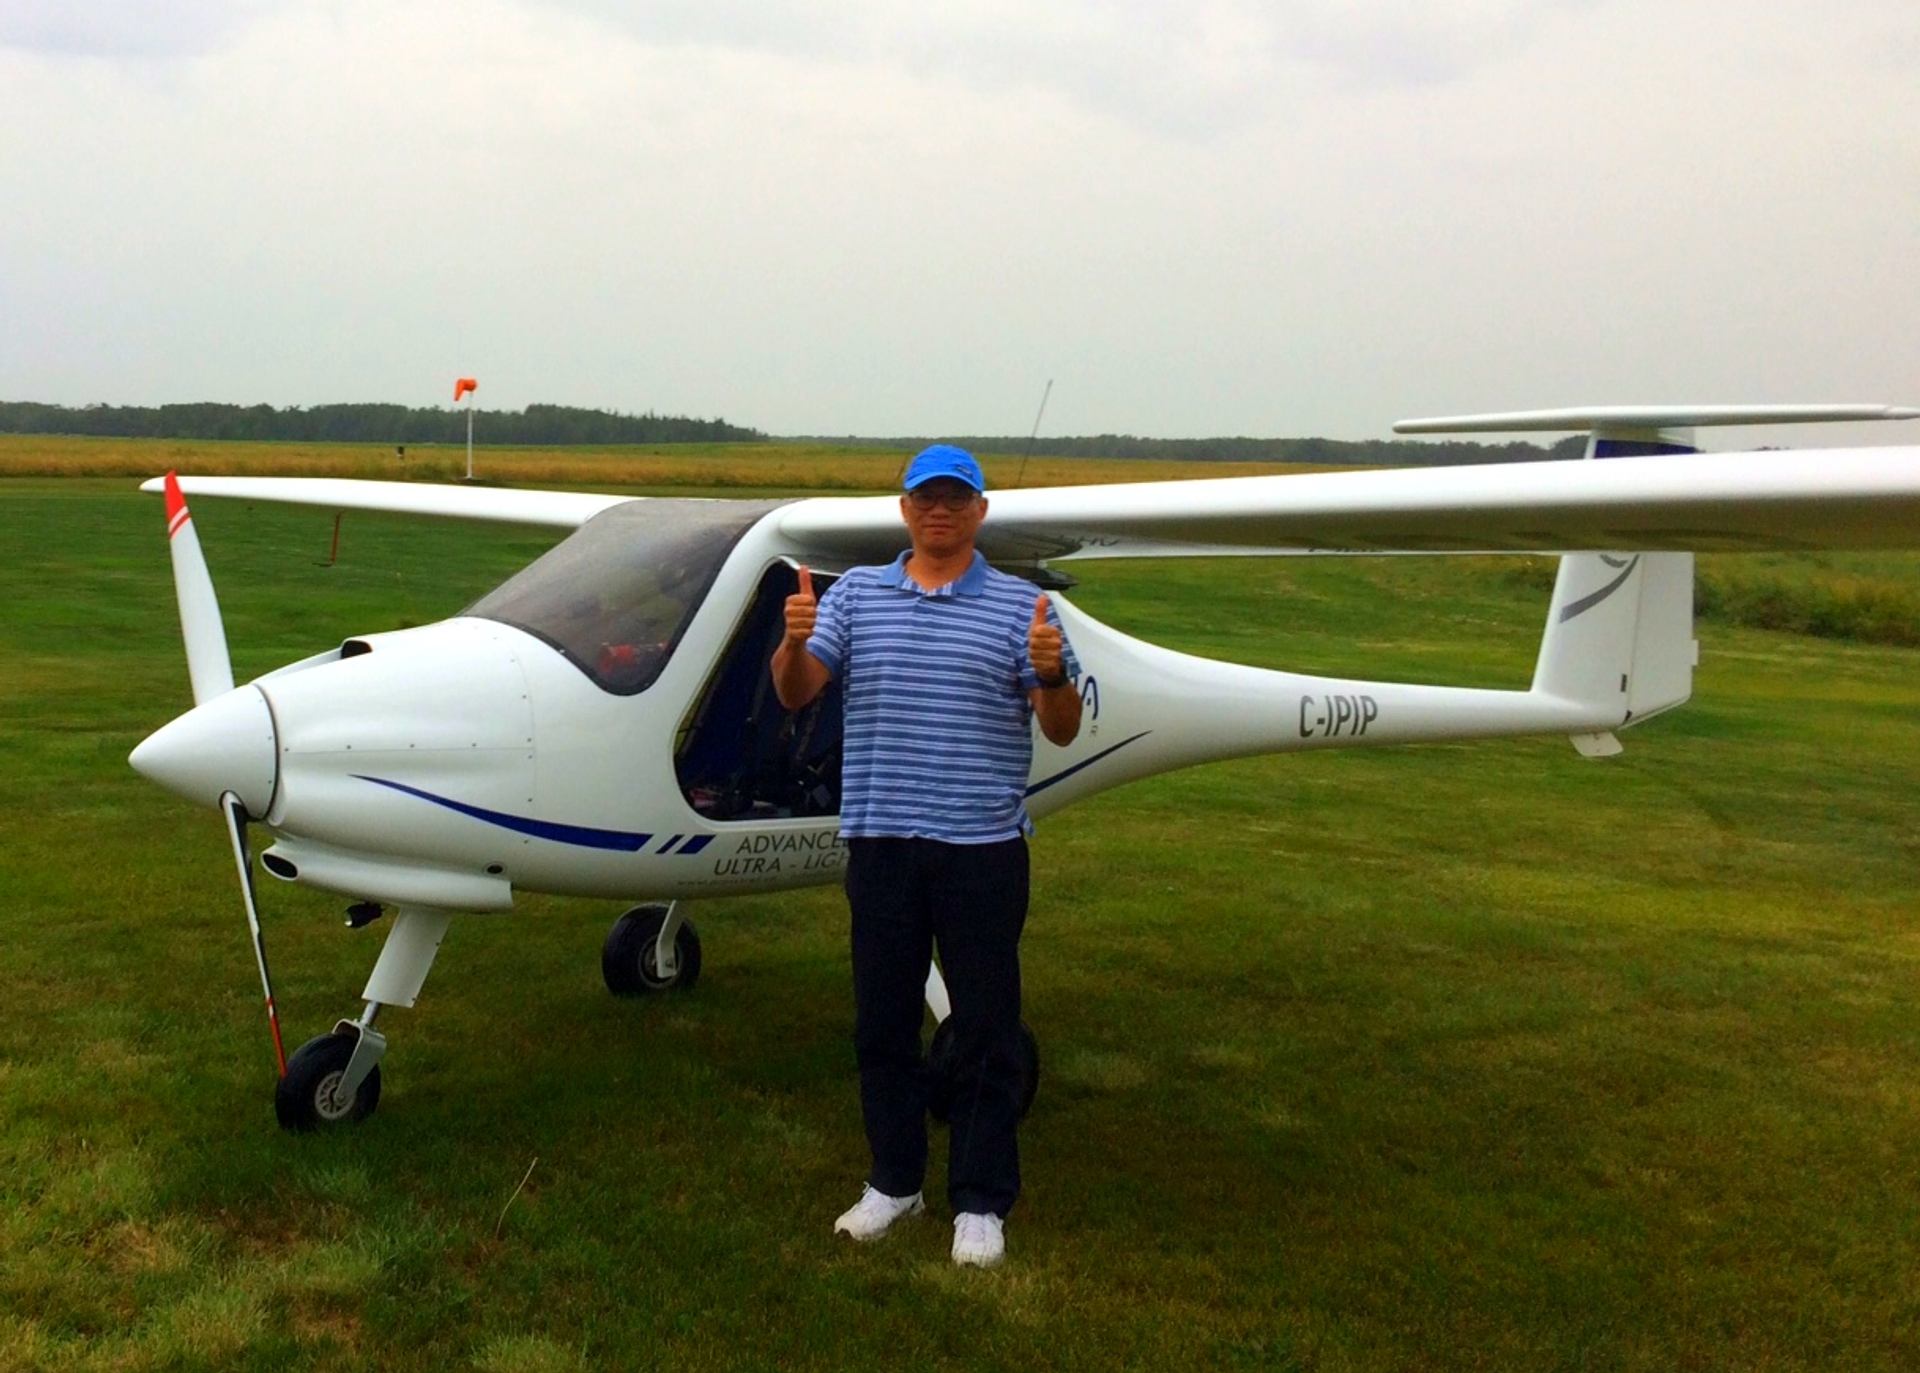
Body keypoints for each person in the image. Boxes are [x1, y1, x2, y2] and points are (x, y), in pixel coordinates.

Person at [770, 443, 1082, 1267]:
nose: (939, 510)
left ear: (978, 513)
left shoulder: (1023, 608)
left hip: (981, 848)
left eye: (956, 498)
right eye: (925, 498)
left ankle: (980, 1200)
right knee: (882, 1020)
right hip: (880, 844)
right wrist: (793, 641)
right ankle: (894, 1180)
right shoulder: (856, 597)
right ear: (905, 509)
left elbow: (1060, 725)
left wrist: (1052, 675)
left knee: (983, 1027)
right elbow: (797, 689)